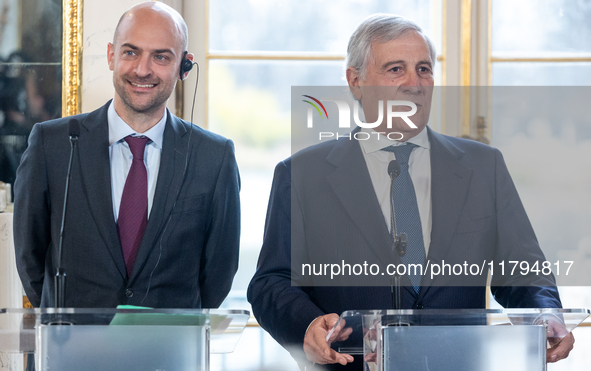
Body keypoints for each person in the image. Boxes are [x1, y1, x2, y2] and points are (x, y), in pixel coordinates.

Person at [247, 14, 573, 370]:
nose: (414, 83)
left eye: (423, 69)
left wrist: (544, 313)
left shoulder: (483, 167)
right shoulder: (301, 174)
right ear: (355, 82)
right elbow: (271, 282)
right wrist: (307, 325)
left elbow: (524, 269)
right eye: (395, 70)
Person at [13, 1, 240, 309]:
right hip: (74, 348)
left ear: (183, 67)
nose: (142, 69)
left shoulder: (215, 157)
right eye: (131, 52)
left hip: (170, 350)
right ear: (111, 55)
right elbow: (31, 258)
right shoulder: (51, 144)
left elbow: (217, 275)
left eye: (160, 56)